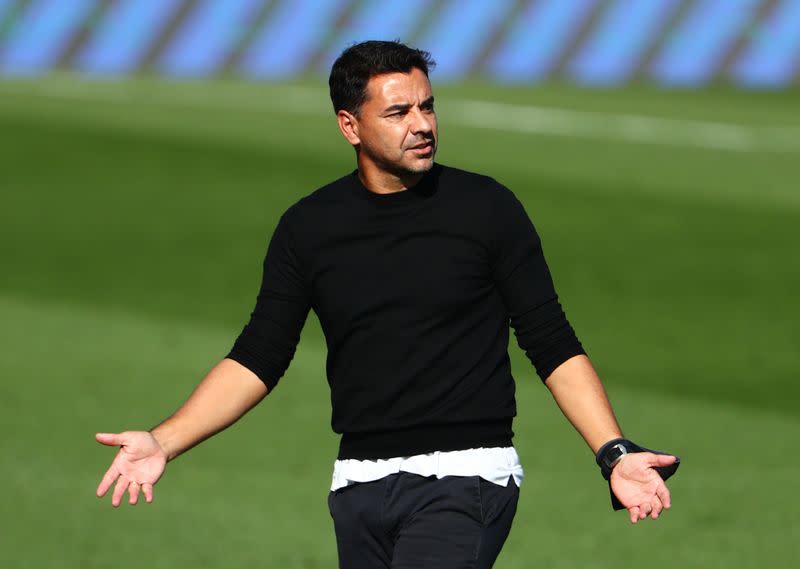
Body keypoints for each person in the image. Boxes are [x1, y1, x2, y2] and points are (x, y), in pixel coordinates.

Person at [95, 41, 678, 569]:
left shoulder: (486, 209)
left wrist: (614, 452)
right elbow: (259, 355)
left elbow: (551, 343)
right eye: (399, 113)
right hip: (359, 486)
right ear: (350, 126)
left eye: (427, 107)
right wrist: (164, 440)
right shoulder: (309, 228)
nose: (422, 126)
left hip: (466, 478)